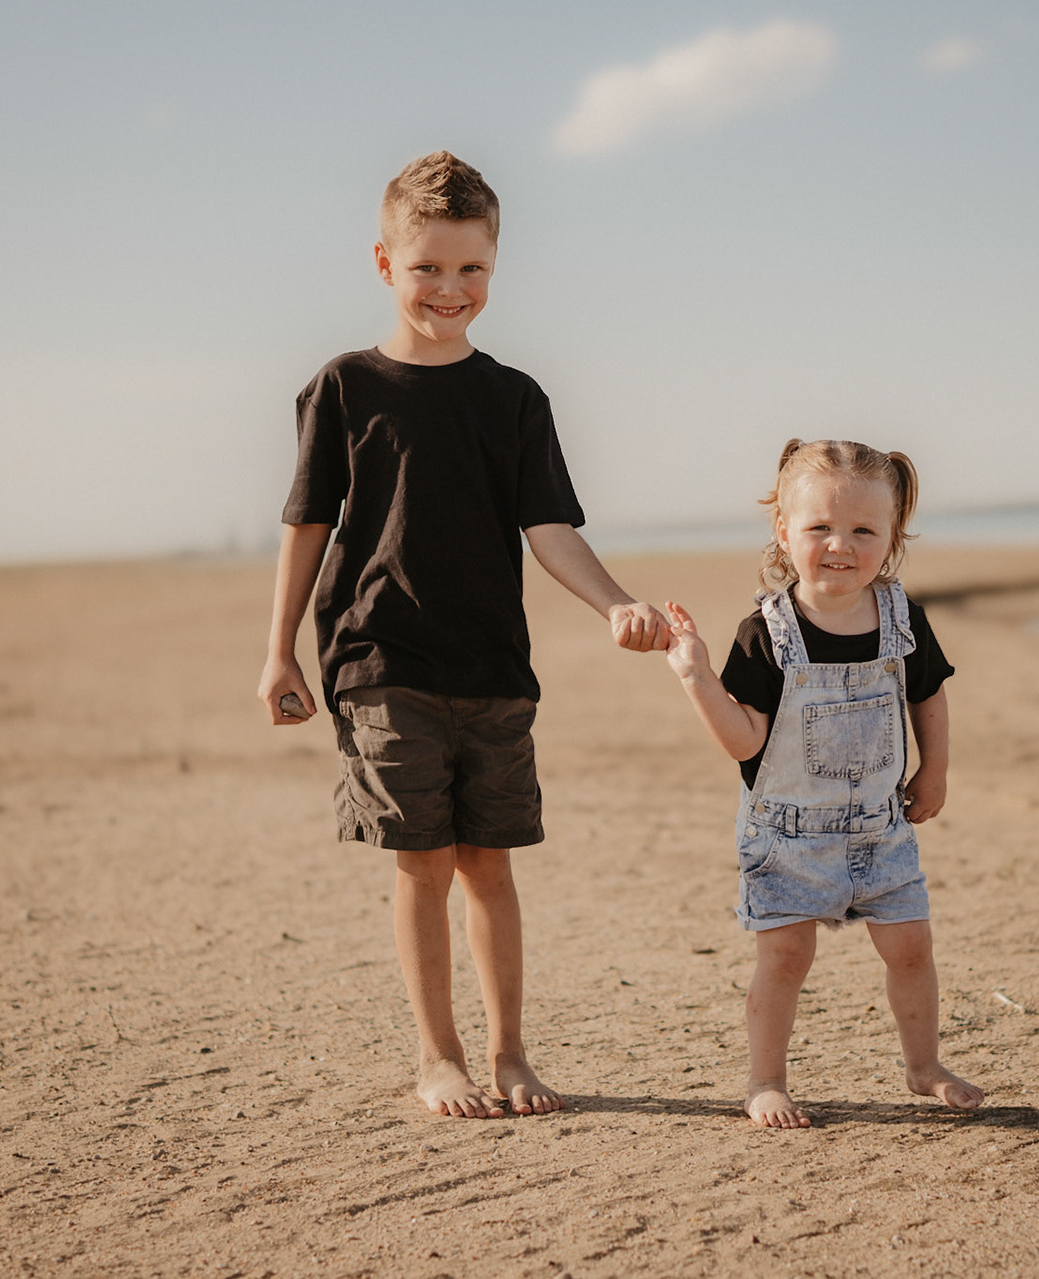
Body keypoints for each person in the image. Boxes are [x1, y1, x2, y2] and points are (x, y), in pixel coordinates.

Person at [256, 151, 669, 1119]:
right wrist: (278, 650)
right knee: (425, 859)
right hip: (379, 658)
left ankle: (510, 1054)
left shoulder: (514, 398)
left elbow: (550, 528)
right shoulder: (344, 387)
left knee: (490, 860)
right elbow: (307, 523)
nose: (451, 288)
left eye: (471, 268)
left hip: (493, 665)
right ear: (384, 263)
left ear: (494, 265)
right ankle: (438, 1057)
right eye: (428, 267)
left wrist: (615, 603)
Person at [661, 438, 986, 1128]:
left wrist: (935, 769)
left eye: (864, 529)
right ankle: (765, 1081)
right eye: (819, 527)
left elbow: (928, 692)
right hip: (787, 837)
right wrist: (697, 676)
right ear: (783, 530)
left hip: (881, 828)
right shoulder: (766, 632)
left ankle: (924, 1066)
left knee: (912, 948)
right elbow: (745, 741)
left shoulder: (901, 617)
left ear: (892, 536)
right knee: (785, 957)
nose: (841, 545)